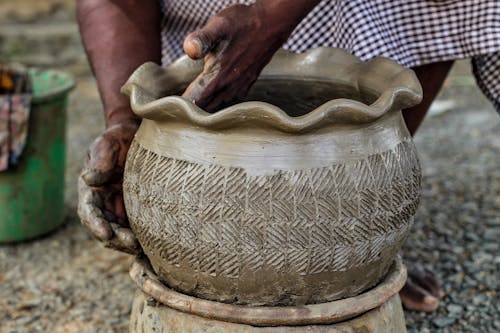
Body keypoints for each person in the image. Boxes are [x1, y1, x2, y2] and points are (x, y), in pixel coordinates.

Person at [76, 0, 499, 313]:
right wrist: (125, 122)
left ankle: (354, 249)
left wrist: (270, 20)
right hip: (202, 34)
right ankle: (336, 250)